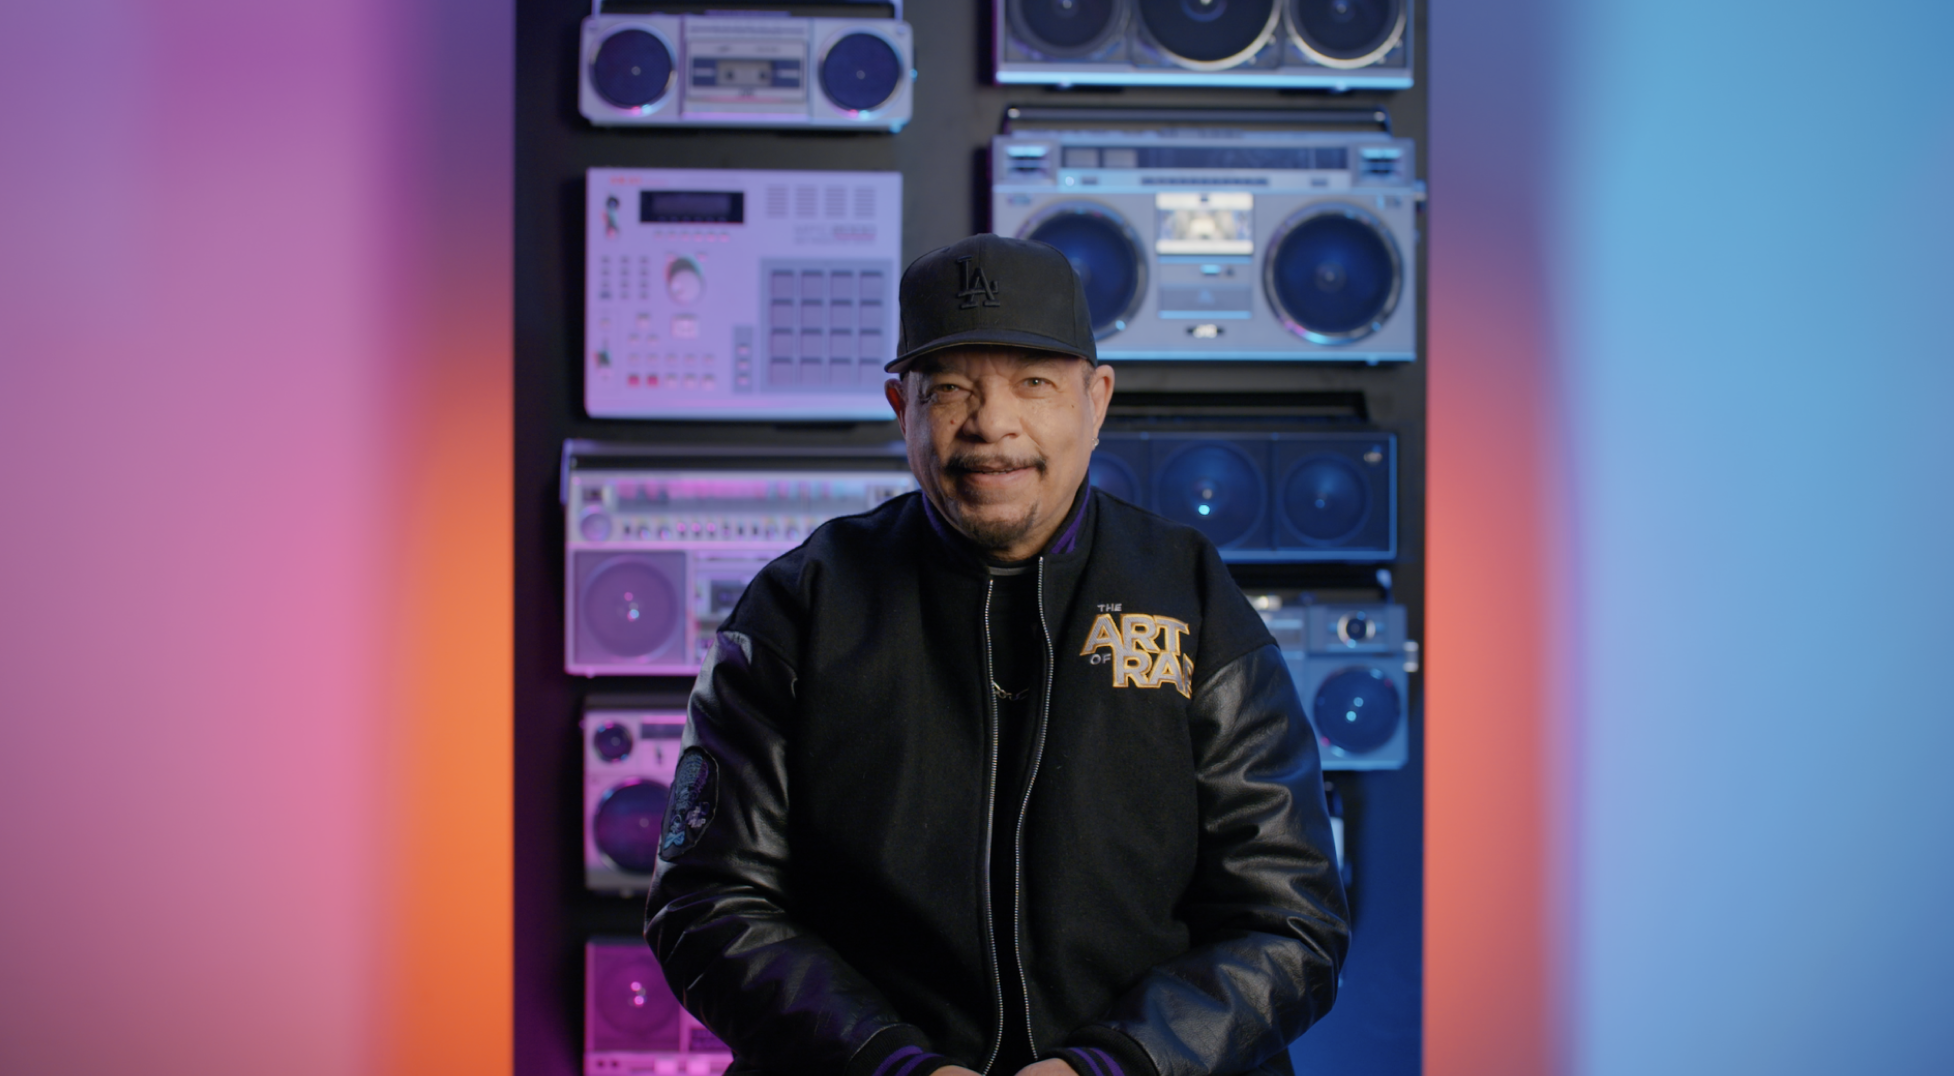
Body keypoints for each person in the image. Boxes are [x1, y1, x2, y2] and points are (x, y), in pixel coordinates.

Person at [645, 234, 1349, 1076]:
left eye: (1035, 383)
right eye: (950, 389)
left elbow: (1290, 919)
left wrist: (1116, 1065)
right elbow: (709, 900)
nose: (991, 424)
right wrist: (888, 1065)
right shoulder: (801, 607)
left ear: (1096, 401)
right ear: (901, 408)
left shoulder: (1192, 595)